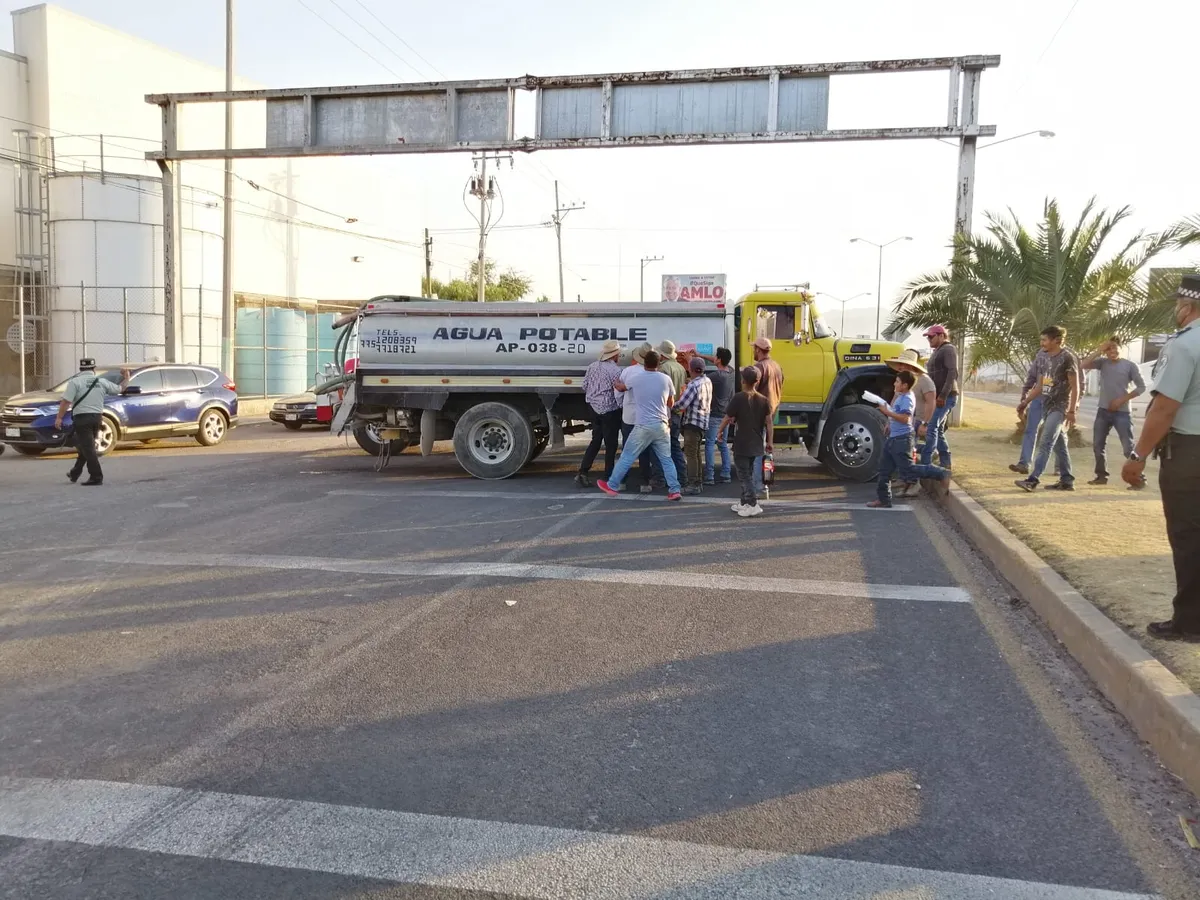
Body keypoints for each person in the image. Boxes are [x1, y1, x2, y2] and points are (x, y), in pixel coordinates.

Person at [1121, 274, 1200, 642]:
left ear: (1187, 306)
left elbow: (1165, 407)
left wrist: (1137, 455)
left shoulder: (1184, 345)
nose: (1176, 310)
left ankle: (1191, 623)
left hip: (1189, 454)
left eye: (1177, 304)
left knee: (1189, 537)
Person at [598, 350, 682, 501]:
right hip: (662, 425)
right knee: (666, 459)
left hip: (643, 424)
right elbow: (670, 403)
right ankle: (675, 490)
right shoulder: (665, 379)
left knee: (627, 456)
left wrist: (615, 383)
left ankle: (612, 484)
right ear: (658, 363)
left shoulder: (636, 378)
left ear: (644, 363)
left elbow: (621, 388)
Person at [867, 370, 950, 508]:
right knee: (884, 470)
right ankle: (884, 499)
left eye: (897, 382)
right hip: (893, 438)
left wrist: (887, 412)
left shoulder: (907, 399)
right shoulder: (901, 396)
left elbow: (906, 419)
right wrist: (889, 422)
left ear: (905, 385)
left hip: (902, 439)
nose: (894, 384)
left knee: (908, 470)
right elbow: (897, 414)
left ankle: (941, 473)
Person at [1015, 326, 1079, 492]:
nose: (1041, 343)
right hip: (1046, 405)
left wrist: (1072, 410)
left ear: (1056, 340)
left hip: (1060, 407)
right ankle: (1067, 480)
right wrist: (1025, 402)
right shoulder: (1045, 358)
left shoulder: (1067, 358)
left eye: (1044, 340)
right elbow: (1042, 385)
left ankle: (1033, 480)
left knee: (1046, 442)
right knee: (1060, 446)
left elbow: (1075, 386)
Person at [54, 358, 128, 486]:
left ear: (80, 369)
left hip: (82, 419)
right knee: (86, 446)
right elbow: (121, 388)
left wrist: (59, 417)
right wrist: (127, 377)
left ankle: (96, 476)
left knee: (88, 448)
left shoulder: (75, 382)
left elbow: (66, 401)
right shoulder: (101, 381)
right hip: (97, 418)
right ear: (94, 369)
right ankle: (75, 473)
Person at [1083, 338, 1146, 485]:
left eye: (1115, 348)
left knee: (1128, 448)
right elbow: (1083, 365)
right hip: (1103, 411)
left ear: (1120, 348)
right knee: (1098, 446)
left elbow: (1141, 387)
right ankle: (1101, 476)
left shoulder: (1130, 366)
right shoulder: (1102, 363)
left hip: (1122, 413)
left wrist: (1121, 400)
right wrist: (1099, 350)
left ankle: (1139, 478)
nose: (1112, 351)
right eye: (1109, 349)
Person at [718, 366, 774, 518]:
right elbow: (769, 423)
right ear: (757, 381)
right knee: (748, 472)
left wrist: (719, 431)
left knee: (744, 475)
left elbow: (727, 417)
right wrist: (770, 441)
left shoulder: (738, 398)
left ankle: (753, 504)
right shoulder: (764, 400)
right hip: (756, 443)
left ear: (743, 381)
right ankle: (744, 502)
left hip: (742, 443)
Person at [884, 348, 935, 498]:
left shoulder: (924, 380)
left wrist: (925, 423)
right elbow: (895, 401)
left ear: (910, 365)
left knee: (908, 455)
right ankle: (905, 480)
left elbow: (931, 402)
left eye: (903, 364)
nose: (900, 367)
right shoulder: (902, 382)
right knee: (900, 453)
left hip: (917, 421)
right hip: (903, 423)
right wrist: (889, 421)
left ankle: (914, 483)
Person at [575, 339, 624, 487]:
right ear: (614, 355)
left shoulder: (592, 366)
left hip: (593, 408)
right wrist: (621, 406)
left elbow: (584, 386)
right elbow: (618, 393)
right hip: (609, 410)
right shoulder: (616, 371)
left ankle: (583, 471)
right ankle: (609, 475)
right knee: (611, 444)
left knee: (596, 440)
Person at [617, 342, 656, 493]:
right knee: (645, 450)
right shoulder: (655, 375)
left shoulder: (628, 372)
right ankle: (645, 483)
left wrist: (622, 404)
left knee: (627, 449)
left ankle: (622, 482)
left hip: (629, 415)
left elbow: (618, 392)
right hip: (645, 417)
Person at [921, 324, 959, 468]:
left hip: (946, 396)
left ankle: (926, 463)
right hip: (939, 396)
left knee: (931, 427)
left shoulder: (948, 349)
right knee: (938, 430)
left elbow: (952, 372)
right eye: (928, 337)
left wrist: (943, 395)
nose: (929, 339)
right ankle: (946, 463)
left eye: (931, 336)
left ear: (941, 335)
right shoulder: (938, 350)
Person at [673, 356, 712, 495]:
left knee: (690, 454)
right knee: (696, 453)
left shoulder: (693, 385)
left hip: (692, 423)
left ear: (691, 369)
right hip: (703, 422)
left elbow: (682, 404)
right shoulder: (707, 381)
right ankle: (698, 482)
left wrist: (670, 406)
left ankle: (693, 484)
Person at [751, 336, 784, 495]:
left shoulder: (759, 367)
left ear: (758, 349)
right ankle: (765, 484)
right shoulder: (776, 366)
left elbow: (751, 392)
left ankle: (758, 486)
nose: (753, 351)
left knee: (757, 453)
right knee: (767, 451)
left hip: (759, 415)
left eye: (754, 348)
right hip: (772, 412)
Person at [1010, 349, 1050, 476]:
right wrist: (1025, 394)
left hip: (1054, 401)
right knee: (1030, 430)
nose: (1042, 343)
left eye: (1045, 340)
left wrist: (1074, 403)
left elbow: (1077, 381)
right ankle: (1024, 464)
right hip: (1038, 398)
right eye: (1042, 340)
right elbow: (1033, 377)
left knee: (1056, 434)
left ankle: (1061, 468)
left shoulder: (1065, 356)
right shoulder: (1041, 355)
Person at [656, 340, 688, 485]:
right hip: (678, 411)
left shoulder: (663, 369)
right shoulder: (680, 367)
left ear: (662, 355)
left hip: (667, 411)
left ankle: (664, 477)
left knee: (663, 446)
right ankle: (682, 475)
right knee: (674, 443)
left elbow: (661, 393)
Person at [704, 347, 735, 485]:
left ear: (719, 359)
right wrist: (700, 354)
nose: (714, 358)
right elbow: (717, 361)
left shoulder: (716, 376)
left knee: (710, 444)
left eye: (716, 357)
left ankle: (709, 476)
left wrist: (691, 360)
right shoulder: (731, 372)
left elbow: (700, 379)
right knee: (722, 445)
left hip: (714, 415)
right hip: (725, 415)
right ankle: (726, 474)